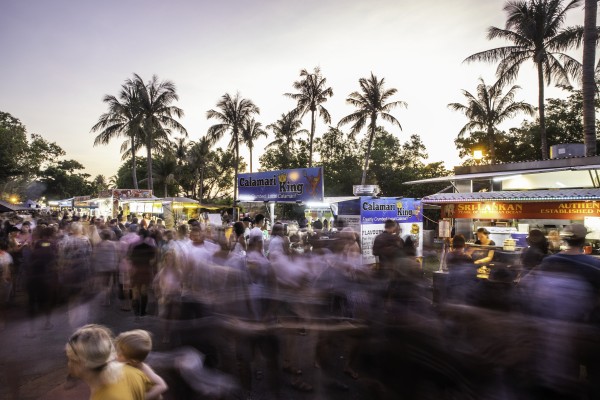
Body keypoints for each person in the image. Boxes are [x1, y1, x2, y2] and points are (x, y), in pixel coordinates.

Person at [65, 324, 154, 400]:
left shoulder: (105, 397)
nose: (68, 364)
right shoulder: (132, 371)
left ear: (80, 363)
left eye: (69, 358)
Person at [115, 329, 168, 399]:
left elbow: (162, 386)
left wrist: (144, 397)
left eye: (120, 355)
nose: (116, 355)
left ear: (133, 361)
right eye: (116, 349)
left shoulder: (142, 368)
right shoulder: (122, 358)